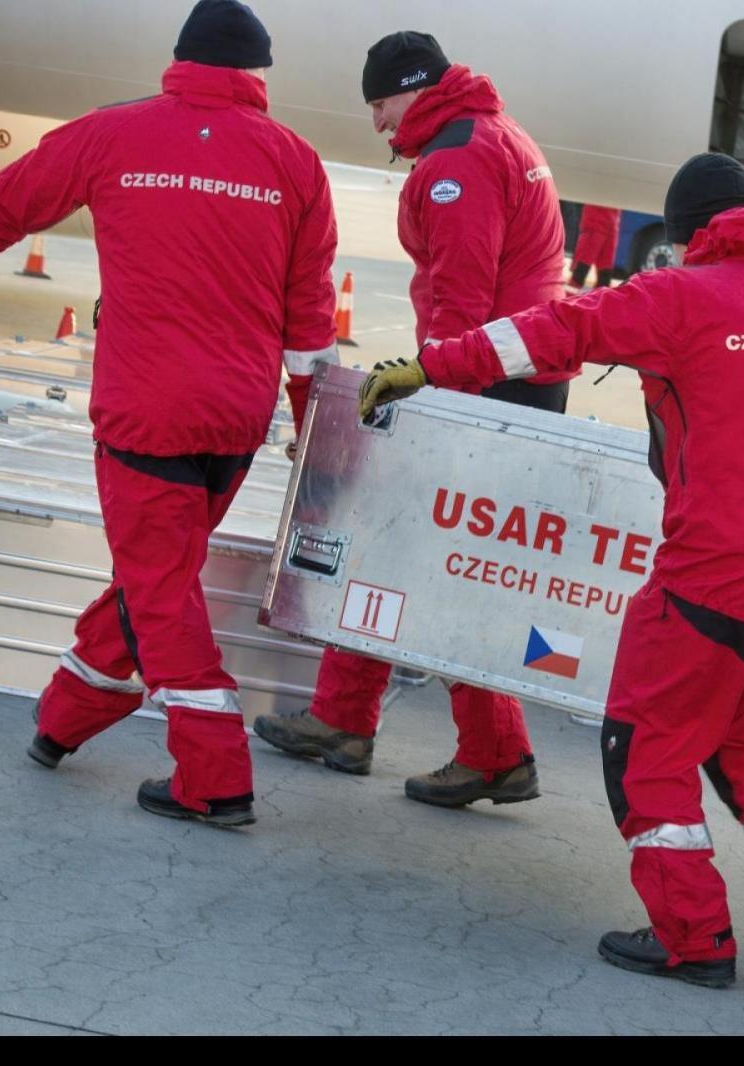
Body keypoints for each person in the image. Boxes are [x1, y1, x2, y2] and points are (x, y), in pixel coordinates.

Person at [356, 152, 744, 989]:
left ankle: (693, 938)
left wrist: (429, 366)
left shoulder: (679, 295)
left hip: (716, 570)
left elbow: (549, 331)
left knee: (647, 749)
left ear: (684, 235)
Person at [0, 0, 338, 827]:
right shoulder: (296, 163)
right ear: (258, 76)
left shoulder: (113, 133)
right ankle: (63, 720)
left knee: (163, 591)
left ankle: (216, 778)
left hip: (147, 416)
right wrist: (314, 424)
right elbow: (310, 316)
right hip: (238, 423)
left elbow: (4, 203)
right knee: (155, 577)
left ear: (179, 60)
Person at [252, 31, 572, 805]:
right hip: (517, 375)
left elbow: (462, 296)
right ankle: (360, 723)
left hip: (484, 382)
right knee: (421, 555)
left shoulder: (458, 160)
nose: (377, 122)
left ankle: (430, 738)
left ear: (415, 88)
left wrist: (433, 396)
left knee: (413, 548)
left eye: (381, 103)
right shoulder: (497, 132)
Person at [570, 204, 622, 288]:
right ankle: (570, 297)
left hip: (611, 224)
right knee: (581, 271)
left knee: (604, 276)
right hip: (596, 222)